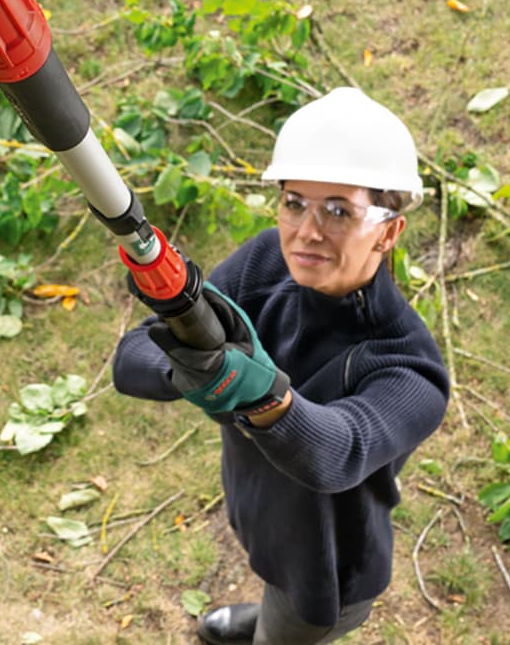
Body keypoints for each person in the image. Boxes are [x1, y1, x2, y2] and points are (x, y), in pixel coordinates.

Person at [113, 87, 450, 644]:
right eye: (294, 202)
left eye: (339, 211)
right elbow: (132, 358)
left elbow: (336, 453)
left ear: (389, 231)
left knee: (289, 625)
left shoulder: (410, 369)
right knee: (271, 581)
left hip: (326, 567)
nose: (306, 232)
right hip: (263, 512)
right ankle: (263, 617)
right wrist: (184, 367)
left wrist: (257, 394)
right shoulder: (267, 259)